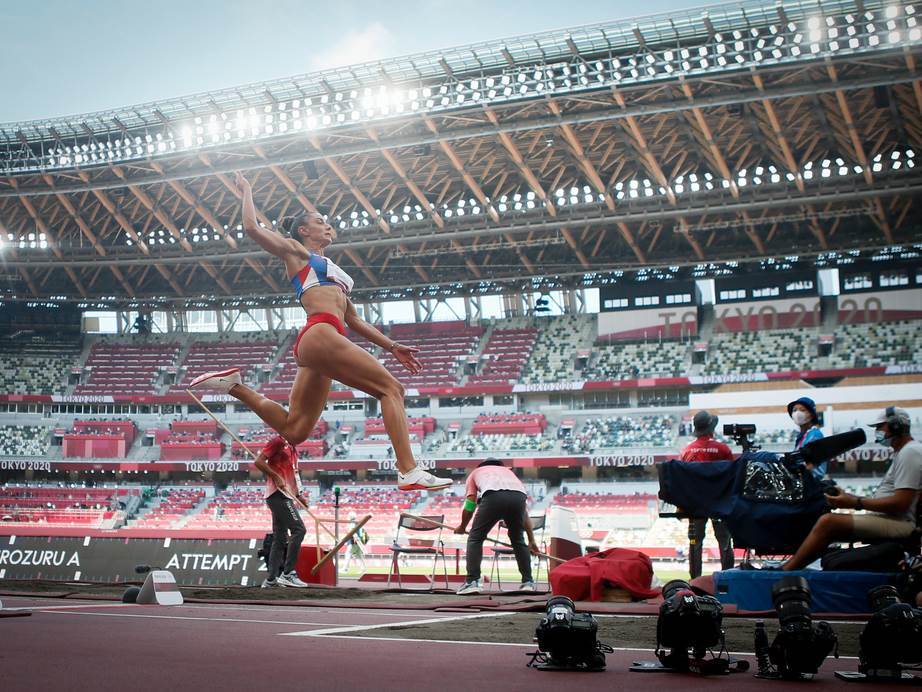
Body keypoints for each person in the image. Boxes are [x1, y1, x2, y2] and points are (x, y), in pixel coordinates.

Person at [189, 172, 451, 493]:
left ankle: (235, 387)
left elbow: (354, 320)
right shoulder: (297, 253)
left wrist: (392, 345)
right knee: (391, 389)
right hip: (320, 332)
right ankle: (408, 469)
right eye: (320, 221)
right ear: (303, 230)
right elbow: (252, 228)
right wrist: (247, 190)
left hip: (321, 342)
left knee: (295, 430)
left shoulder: (335, 273)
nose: (328, 225)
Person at [782, 407, 922, 571]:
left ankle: (786, 570)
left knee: (829, 522)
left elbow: (901, 503)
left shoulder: (910, 452)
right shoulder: (905, 452)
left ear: (896, 426)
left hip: (901, 523)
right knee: (826, 522)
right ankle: (797, 568)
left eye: (879, 426)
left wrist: (854, 502)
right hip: (893, 519)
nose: (876, 431)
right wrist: (849, 498)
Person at [454, 458, 540, 595]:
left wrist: (462, 526)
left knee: (475, 538)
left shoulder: (476, 472)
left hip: (493, 496)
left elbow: (471, 502)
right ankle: (528, 582)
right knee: (518, 539)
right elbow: (524, 514)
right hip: (519, 497)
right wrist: (531, 540)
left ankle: (472, 581)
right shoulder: (509, 473)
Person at [679, 411, 736, 577]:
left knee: (695, 542)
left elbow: (683, 482)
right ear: (712, 428)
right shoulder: (723, 449)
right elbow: (731, 478)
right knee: (725, 541)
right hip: (720, 504)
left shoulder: (687, 450)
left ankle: (695, 580)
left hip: (695, 505)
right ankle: (728, 578)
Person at [254, 435, 309, 588]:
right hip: (278, 495)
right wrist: (275, 476)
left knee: (280, 539)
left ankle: (271, 580)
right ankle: (288, 573)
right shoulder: (278, 441)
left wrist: (298, 495)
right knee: (299, 530)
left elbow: (294, 475)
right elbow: (258, 461)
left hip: (285, 496)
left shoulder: (292, 448)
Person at [789, 396, 826, 479]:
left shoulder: (814, 435)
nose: (797, 413)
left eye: (802, 410)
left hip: (811, 483)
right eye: (795, 410)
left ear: (811, 414)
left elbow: (808, 463)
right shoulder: (802, 435)